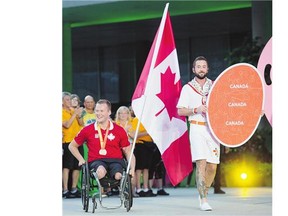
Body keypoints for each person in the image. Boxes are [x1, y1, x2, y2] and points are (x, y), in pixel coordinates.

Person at [177, 56, 220, 211]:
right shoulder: (187, 88)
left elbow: (227, 106)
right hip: (196, 127)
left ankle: (204, 192)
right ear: (194, 70)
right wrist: (196, 109)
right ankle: (203, 199)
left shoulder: (215, 86)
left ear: (207, 69)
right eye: (198, 66)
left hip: (213, 130)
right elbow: (180, 110)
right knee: (201, 163)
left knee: (212, 167)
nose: (201, 69)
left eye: (204, 66)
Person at [68, 99, 136, 195]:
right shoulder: (87, 129)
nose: (98, 113)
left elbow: (128, 151)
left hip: (116, 160)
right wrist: (81, 159)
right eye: (97, 111)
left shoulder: (119, 130)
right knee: (100, 171)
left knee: (118, 175)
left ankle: (121, 184)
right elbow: (72, 146)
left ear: (109, 112)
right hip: (96, 160)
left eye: (102, 111)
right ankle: (101, 190)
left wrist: (132, 169)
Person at [128, 115, 157, 197]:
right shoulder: (136, 120)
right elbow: (135, 134)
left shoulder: (149, 119)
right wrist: (147, 132)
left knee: (146, 168)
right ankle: (138, 188)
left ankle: (145, 188)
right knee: (139, 168)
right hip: (140, 144)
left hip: (149, 145)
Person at [62, 92, 84, 198]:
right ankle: (65, 189)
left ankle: (74, 188)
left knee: (77, 166)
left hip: (78, 141)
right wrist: (75, 114)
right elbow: (66, 125)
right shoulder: (61, 112)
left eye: (70, 99)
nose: (69, 101)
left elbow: (81, 124)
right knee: (67, 166)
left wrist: (78, 114)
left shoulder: (73, 111)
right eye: (67, 100)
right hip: (67, 141)